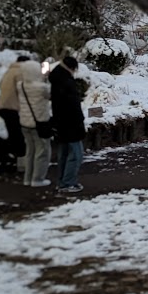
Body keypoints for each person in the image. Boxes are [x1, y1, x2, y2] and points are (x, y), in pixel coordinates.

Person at [49, 55, 86, 193]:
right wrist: (80, 121)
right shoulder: (67, 82)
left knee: (64, 153)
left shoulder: (56, 79)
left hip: (61, 123)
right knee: (76, 154)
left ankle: (62, 181)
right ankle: (68, 182)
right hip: (71, 124)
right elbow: (73, 105)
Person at [17, 57, 53, 188]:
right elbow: (50, 95)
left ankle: (27, 178)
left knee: (30, 151)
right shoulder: (42, 88)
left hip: (25, 123)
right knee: (41, 152)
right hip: (39, 123)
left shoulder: (20, 85)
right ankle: (37, 179)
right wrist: (45, 77)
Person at [0, 54, 31, 173]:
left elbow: (0, 85)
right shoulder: (21, 72)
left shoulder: (9, 71)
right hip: (12, 108)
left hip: (3, 107)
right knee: (17, 136)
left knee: (14, 135)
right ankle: (21, 165)